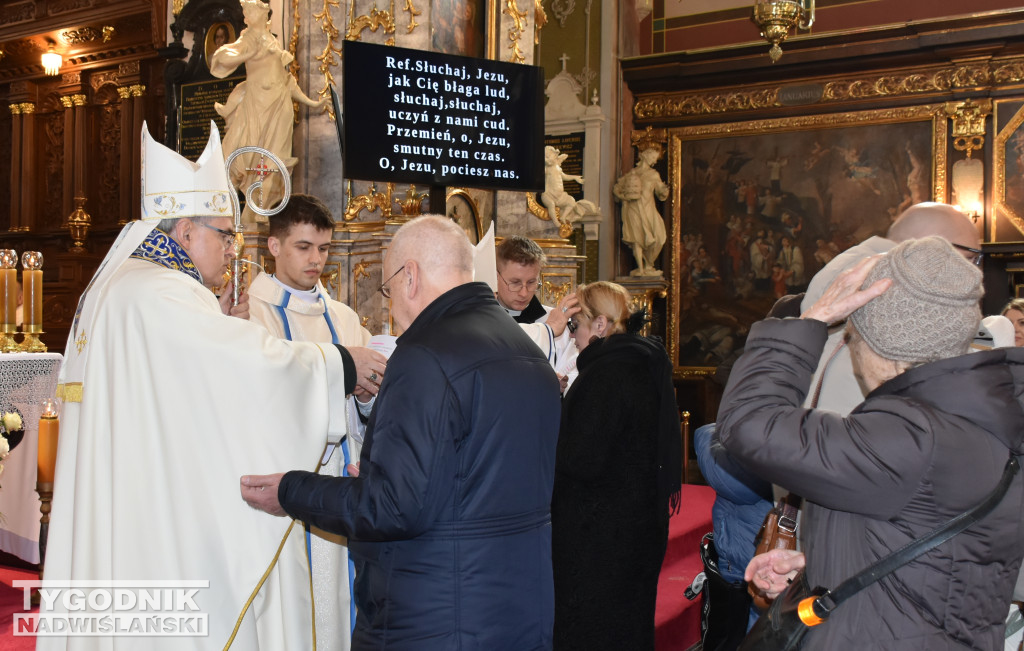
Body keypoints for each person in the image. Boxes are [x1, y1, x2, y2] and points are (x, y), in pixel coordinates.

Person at [40, 124, 384, 651]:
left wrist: (218, 323)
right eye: (223, 234)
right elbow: (248, 368)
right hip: (158, 516)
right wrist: (340, 364)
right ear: (183, 232)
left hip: (134, 493)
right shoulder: (162, 292)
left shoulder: (130, 284)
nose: (232, 248)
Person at [241, 215, 562, 650]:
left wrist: (290, 491)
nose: (391, 308)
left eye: (389, 291)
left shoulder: (426, 356)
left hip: (436, 618)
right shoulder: (528, 350)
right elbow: (476, 482)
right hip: (516, 610)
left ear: (409, 276)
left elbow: (391, 508)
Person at [719, 237, 1024, 649]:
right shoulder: (976, 415)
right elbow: (946, 549)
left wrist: (813, 318)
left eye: (851, 335)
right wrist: (823, 563)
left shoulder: (912, 439)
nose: (849, 345)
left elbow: (748, 424)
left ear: (878, 344)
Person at [246, 193, 385, 651]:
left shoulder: (344, 316)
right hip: (285, 481)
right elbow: (258, 393)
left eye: (323, 249)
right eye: (303, 247)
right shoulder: (252, 313)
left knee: (343, 605)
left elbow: (363, 403)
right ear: (273, 247)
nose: (316, 260)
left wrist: (365, 397)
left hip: (342, 484)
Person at [551, 281, 681, 651]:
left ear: (601, 325)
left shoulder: (609, 372)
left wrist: (554, 409)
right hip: (635, 525)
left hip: (601, 535)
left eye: (575, 325)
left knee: (596, 630)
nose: (572, 335)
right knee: (629, 624)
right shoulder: (640, 360)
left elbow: (581, 457)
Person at [800, 202, 982, 415]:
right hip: (871, 424)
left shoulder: (851, 265)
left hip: (828, 421)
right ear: (933, 245)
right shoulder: (902, 281)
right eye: (970, 257)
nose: (971, 269)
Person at [210, 0, 326, 223]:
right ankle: (242, 220)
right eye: (244, 13)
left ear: (261, 13)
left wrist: (313, 103)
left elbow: (286, 80)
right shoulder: (248, 39)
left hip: (280, 104)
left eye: (248, 12)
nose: (245, 18)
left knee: (275, 162)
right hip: (257, 105)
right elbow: (221, 58)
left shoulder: (272, 40)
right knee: (246, 158)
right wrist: (245, 55)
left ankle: (259, 216)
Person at [495, 235, 580, 386]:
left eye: (532, 282)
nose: (524, 292)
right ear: (495, 277)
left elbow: (573, 370)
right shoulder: (484, 322)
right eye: (515, 283)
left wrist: (562, 382)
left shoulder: (557, 321)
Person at [614, 144, 669, 276]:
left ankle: (649, 265)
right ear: (645, 155)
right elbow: (617, 189)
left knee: (659, 237)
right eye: (653, 157)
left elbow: (660, 191)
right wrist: (623, 197)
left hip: (648, 209)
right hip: (633, 209)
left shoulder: (654, 174)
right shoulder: (631, 174)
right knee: (636, 239)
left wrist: (664, 190)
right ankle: (641, 268)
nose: (654, 161)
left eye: (656, 159)